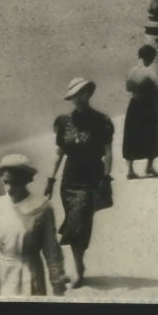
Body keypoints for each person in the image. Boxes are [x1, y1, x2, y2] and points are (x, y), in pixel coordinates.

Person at [47, 78, 113, 288]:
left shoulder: (102, 121)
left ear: (88, 94)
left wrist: (105, 179)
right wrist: (50, 179)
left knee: (79, 225)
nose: (77, 99)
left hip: (91, 178)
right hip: (69, 181)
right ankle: (80, 266)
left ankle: (78, 269)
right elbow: (59, 154)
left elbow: (108, 154)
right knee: (77, 224)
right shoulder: (64, 123)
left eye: (80, 94)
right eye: (73, 96)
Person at [0, 153, 67, 297]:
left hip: (28, 275)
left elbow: (52, 250)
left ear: (26, 180)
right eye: (5, 182)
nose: (9, 188)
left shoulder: (42, 208)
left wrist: (57, 283)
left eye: (14, 183)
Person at [123, 45, 158, 179]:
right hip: (147, 106)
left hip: (134, 105)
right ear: (149, 57)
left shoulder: (132, 71)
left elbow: (128, 87)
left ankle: (130, 170)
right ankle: (149, 167)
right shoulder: (150, 73)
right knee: (152, 135)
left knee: (131, 136)